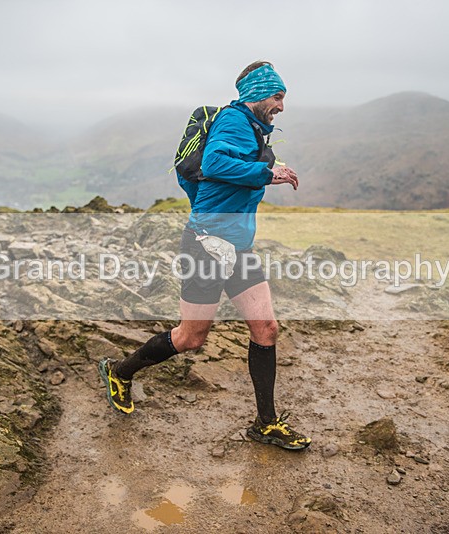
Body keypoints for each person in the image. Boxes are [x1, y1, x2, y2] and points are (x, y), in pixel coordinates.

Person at [98, 61, 310, 450]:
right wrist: (268, 174)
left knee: (266, 329)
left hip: (238, 249)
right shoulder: (234, 120)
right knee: (190, 337)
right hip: (206, 245)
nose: (282, 106)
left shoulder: (254, 131)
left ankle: (265, 424)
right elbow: (214, 163)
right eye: (278, 97)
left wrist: (270, 164)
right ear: (257, 94)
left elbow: (234, 165)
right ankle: (119, 372)